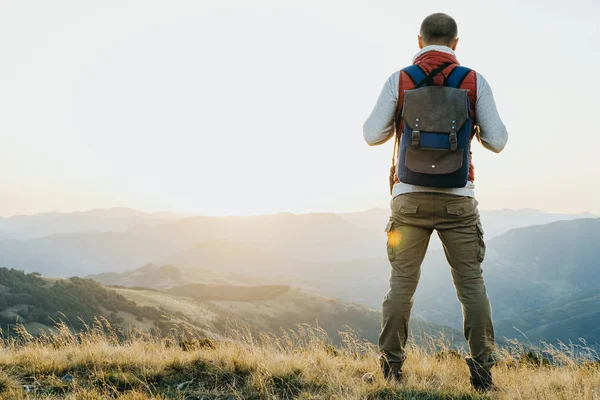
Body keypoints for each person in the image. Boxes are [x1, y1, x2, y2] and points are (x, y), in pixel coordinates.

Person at [362, 13, 508, 391]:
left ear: (420, 40)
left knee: (401, 286)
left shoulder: (401, 79)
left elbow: (371, 134)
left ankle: (391, 370)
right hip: (458, 201)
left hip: (408, 199)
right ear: (456, 43)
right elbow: (497, 141)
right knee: (471, 286)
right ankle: (482, 375)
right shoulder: (473, 81)